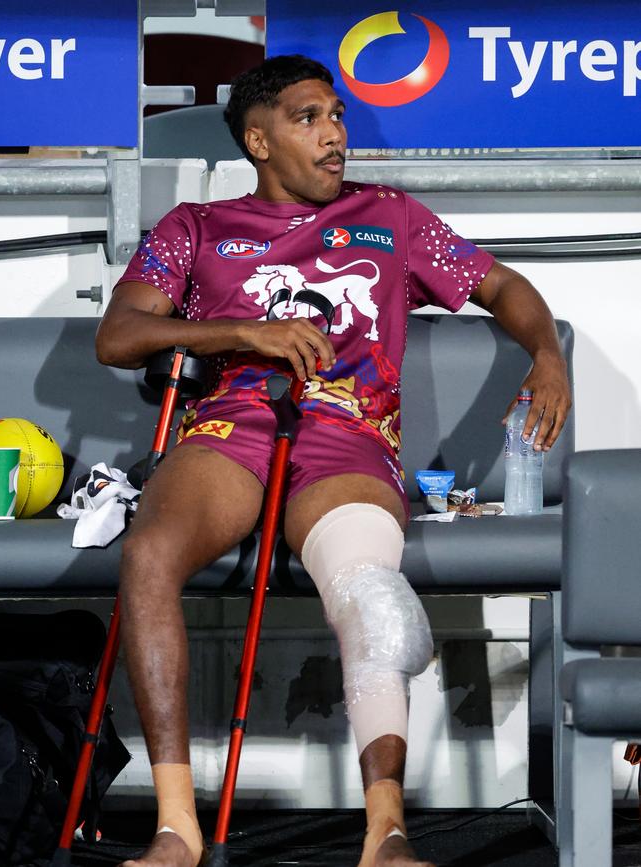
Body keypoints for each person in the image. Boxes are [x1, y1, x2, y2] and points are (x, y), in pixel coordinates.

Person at [96, 54, 572, 867]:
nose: (335, 135)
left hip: (349, 436)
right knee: (146, 556)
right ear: (258, 138)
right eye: (309, 118)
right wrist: (243, 332)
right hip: (232, 428)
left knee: (373, 597)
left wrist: (547, 353)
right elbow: (119, 335)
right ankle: (176, 826)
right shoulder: (196, 229)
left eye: (339, 117)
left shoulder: (390, 218)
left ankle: (384, 831)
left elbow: (501, 287)